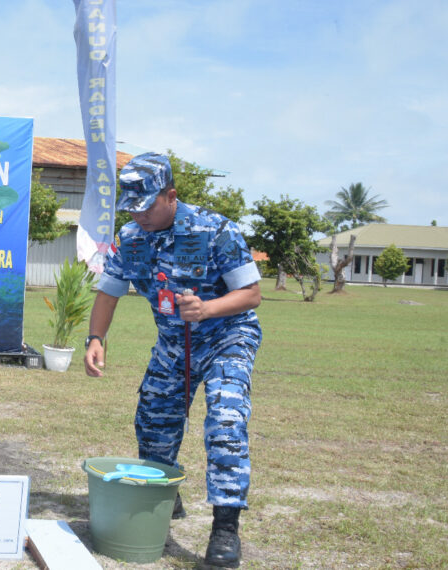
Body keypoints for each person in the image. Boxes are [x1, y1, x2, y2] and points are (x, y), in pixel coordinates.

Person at [82, 152, 262, 568]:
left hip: (227, 337)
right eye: (132, 207)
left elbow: (251, 294)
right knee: (153, 422)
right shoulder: (130, 237)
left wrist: (207, 309)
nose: (139, 215)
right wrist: (96, 338)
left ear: (171, 196)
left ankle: (225, 528)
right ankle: (165, 493)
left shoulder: (215, 230)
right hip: (173, 342)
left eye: (146, 206)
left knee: (226, 420)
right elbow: (109, 291)